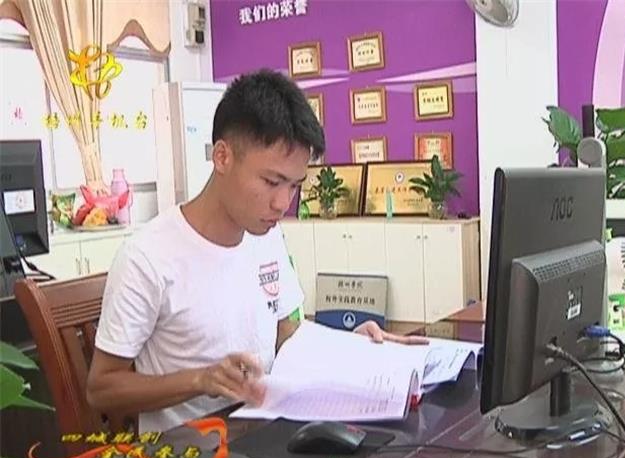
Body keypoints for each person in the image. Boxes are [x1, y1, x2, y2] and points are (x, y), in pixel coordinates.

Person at [86, 69, 425, 433]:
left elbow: (285, 333)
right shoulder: (148, 256)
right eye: (271, 181)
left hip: (265, 434)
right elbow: (101, 389)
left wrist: (350, 346)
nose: (282, 203)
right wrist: (200, 379)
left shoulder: (265, 235)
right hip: (192, 455)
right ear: (222, 157)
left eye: (294, 185)